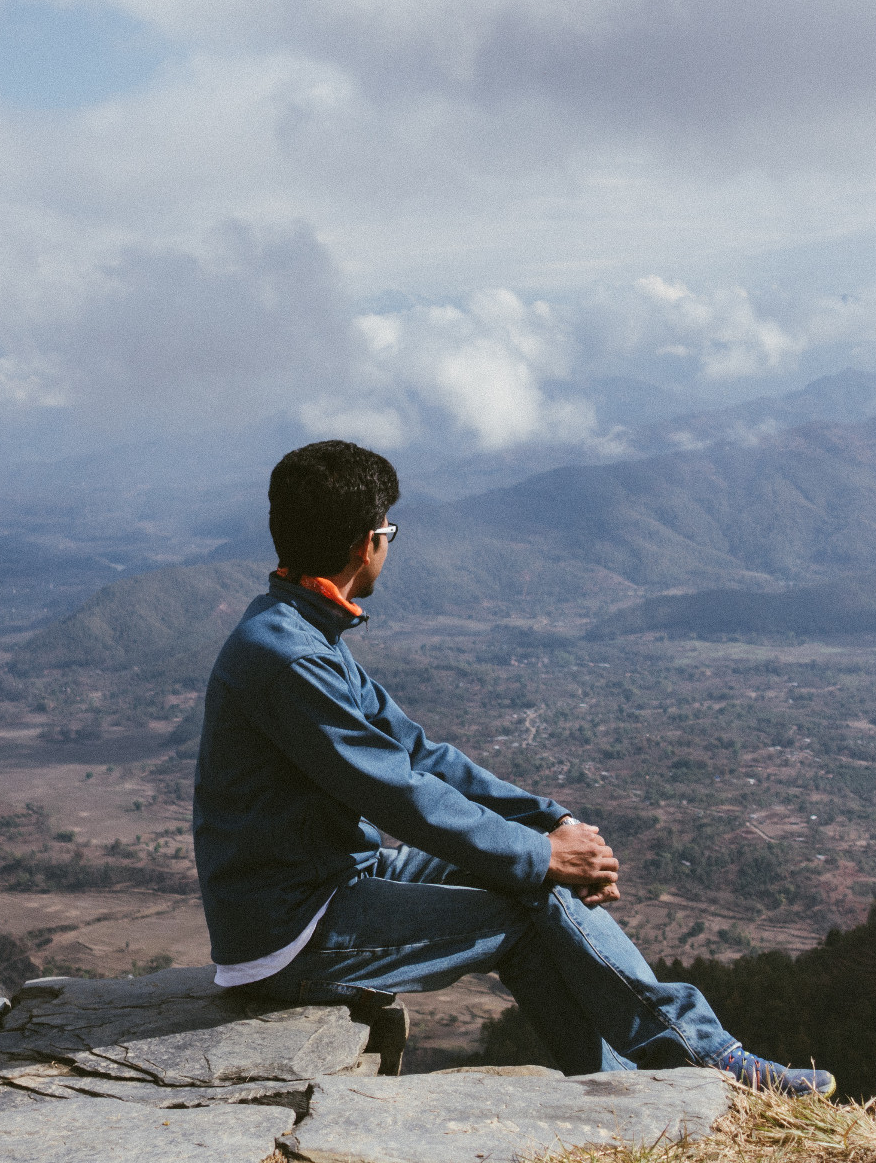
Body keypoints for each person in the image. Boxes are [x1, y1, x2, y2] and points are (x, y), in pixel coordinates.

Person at [191, 439, 833, 1094]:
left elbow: (420, 753)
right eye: (389, 531)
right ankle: (692, 1069)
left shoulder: (299, 629)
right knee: (528, 909)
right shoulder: (292, 659)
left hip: (334, 878)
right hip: (292, 929)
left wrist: (553, 824)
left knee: (533, 878)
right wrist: (544, 857)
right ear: (367, 544)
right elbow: (402, 795)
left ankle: (644, 1082)